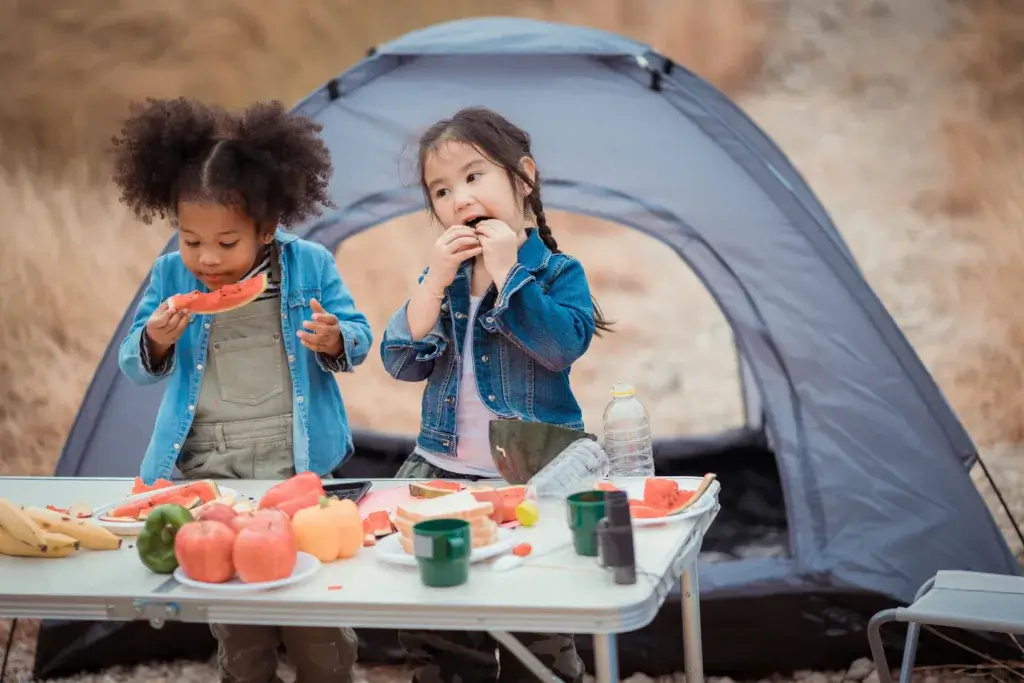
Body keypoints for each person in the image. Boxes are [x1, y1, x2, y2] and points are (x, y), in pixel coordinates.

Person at [113, 96, 371, 683]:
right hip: (215, 476)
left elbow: (357, 334)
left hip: (299, 469)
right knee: (239, 625)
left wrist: (335, 340)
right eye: (190, 239)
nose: (207, 258)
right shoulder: (169, 277)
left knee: (317, 624)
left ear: (268, 227)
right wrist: (155, 339)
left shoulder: (311, 264)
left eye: (228, 244)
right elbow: (133, 363)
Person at [380, 106, 613, 683]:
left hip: (530, 479)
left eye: (473, 176)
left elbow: (559, 348)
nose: (458, 199)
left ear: (523, 178)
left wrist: (510, 274)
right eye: (441, 189)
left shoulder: (558, 271)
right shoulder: (446, 279)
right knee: (436, 623)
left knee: (538, 617)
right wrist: (432, 282)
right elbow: (401, 360)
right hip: (440, 472)